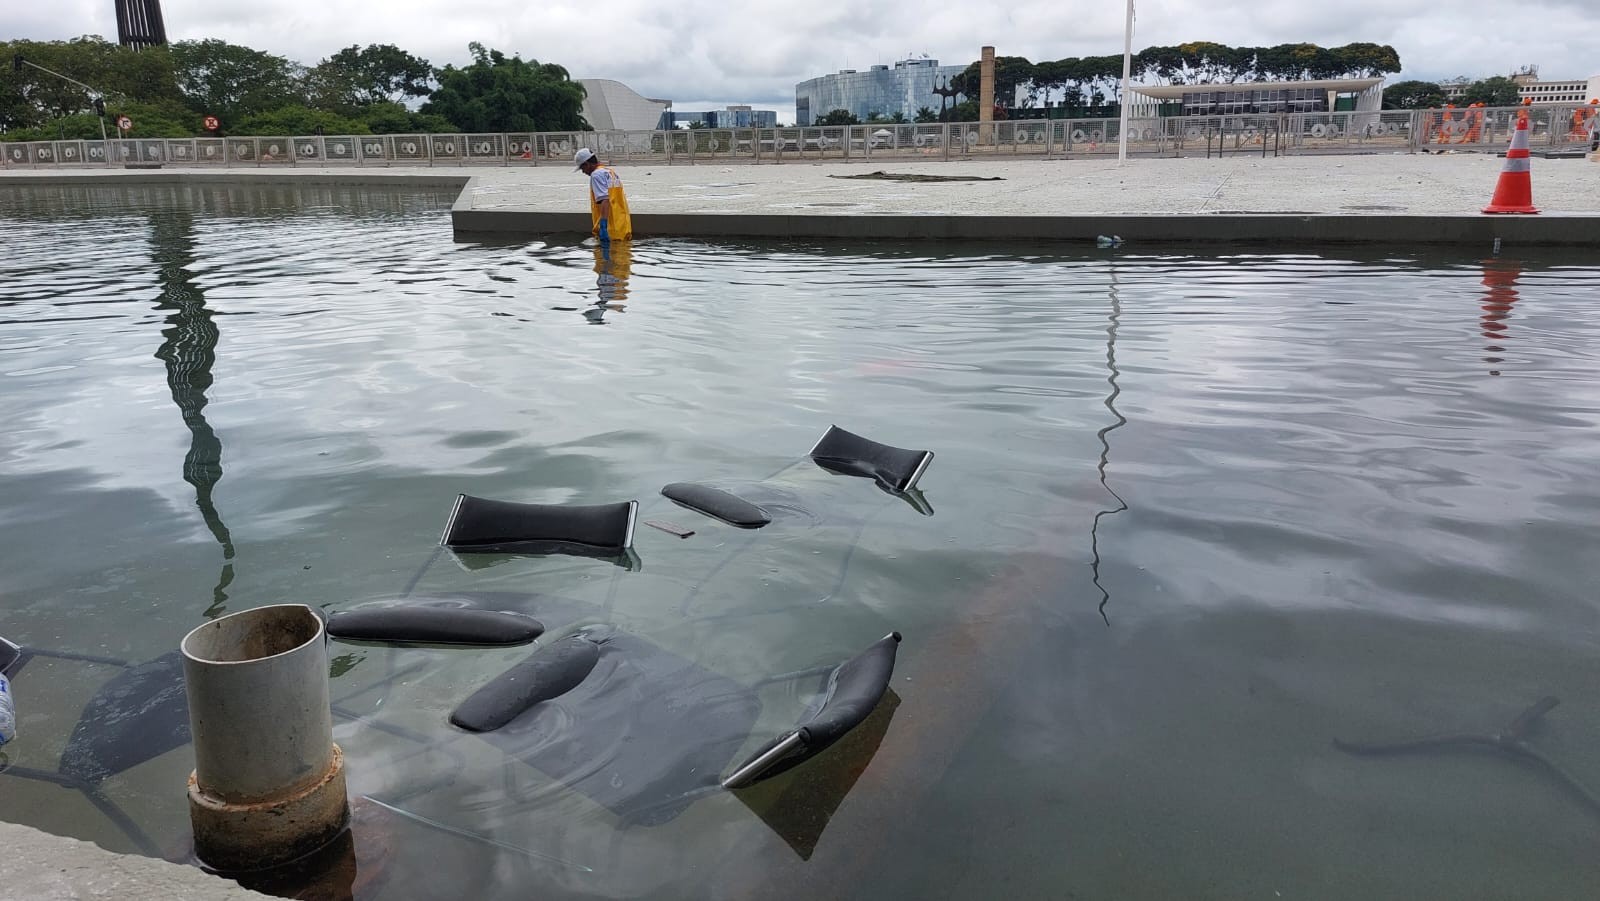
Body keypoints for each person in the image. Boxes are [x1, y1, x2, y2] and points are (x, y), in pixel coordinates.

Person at [574, 147, 632, 244]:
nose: (583, 172)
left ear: (587, 164)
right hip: (622, 227)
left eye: (582, 168)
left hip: (610, 230)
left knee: (605, 257)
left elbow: (605, 199)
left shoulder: (596, 175)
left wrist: (603, 226)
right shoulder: (610, 172)